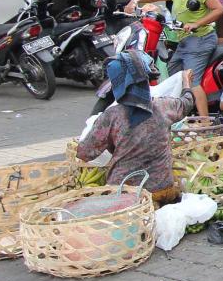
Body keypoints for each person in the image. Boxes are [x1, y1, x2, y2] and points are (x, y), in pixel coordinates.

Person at [76, 51, 206, 206]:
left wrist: (113, 145)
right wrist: (186, 82)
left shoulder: (111, 116)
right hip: (162, 190)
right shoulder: (165, 106)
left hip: (125, 194)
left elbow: (85, 153)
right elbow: (187, 101)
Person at [127, 0, 223, 85]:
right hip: (184, 40)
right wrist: (135, 0)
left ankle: (201, 106)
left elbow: (219, 9)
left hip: (201, 39)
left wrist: (197, 23)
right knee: (174, 76)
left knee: (191, 82)